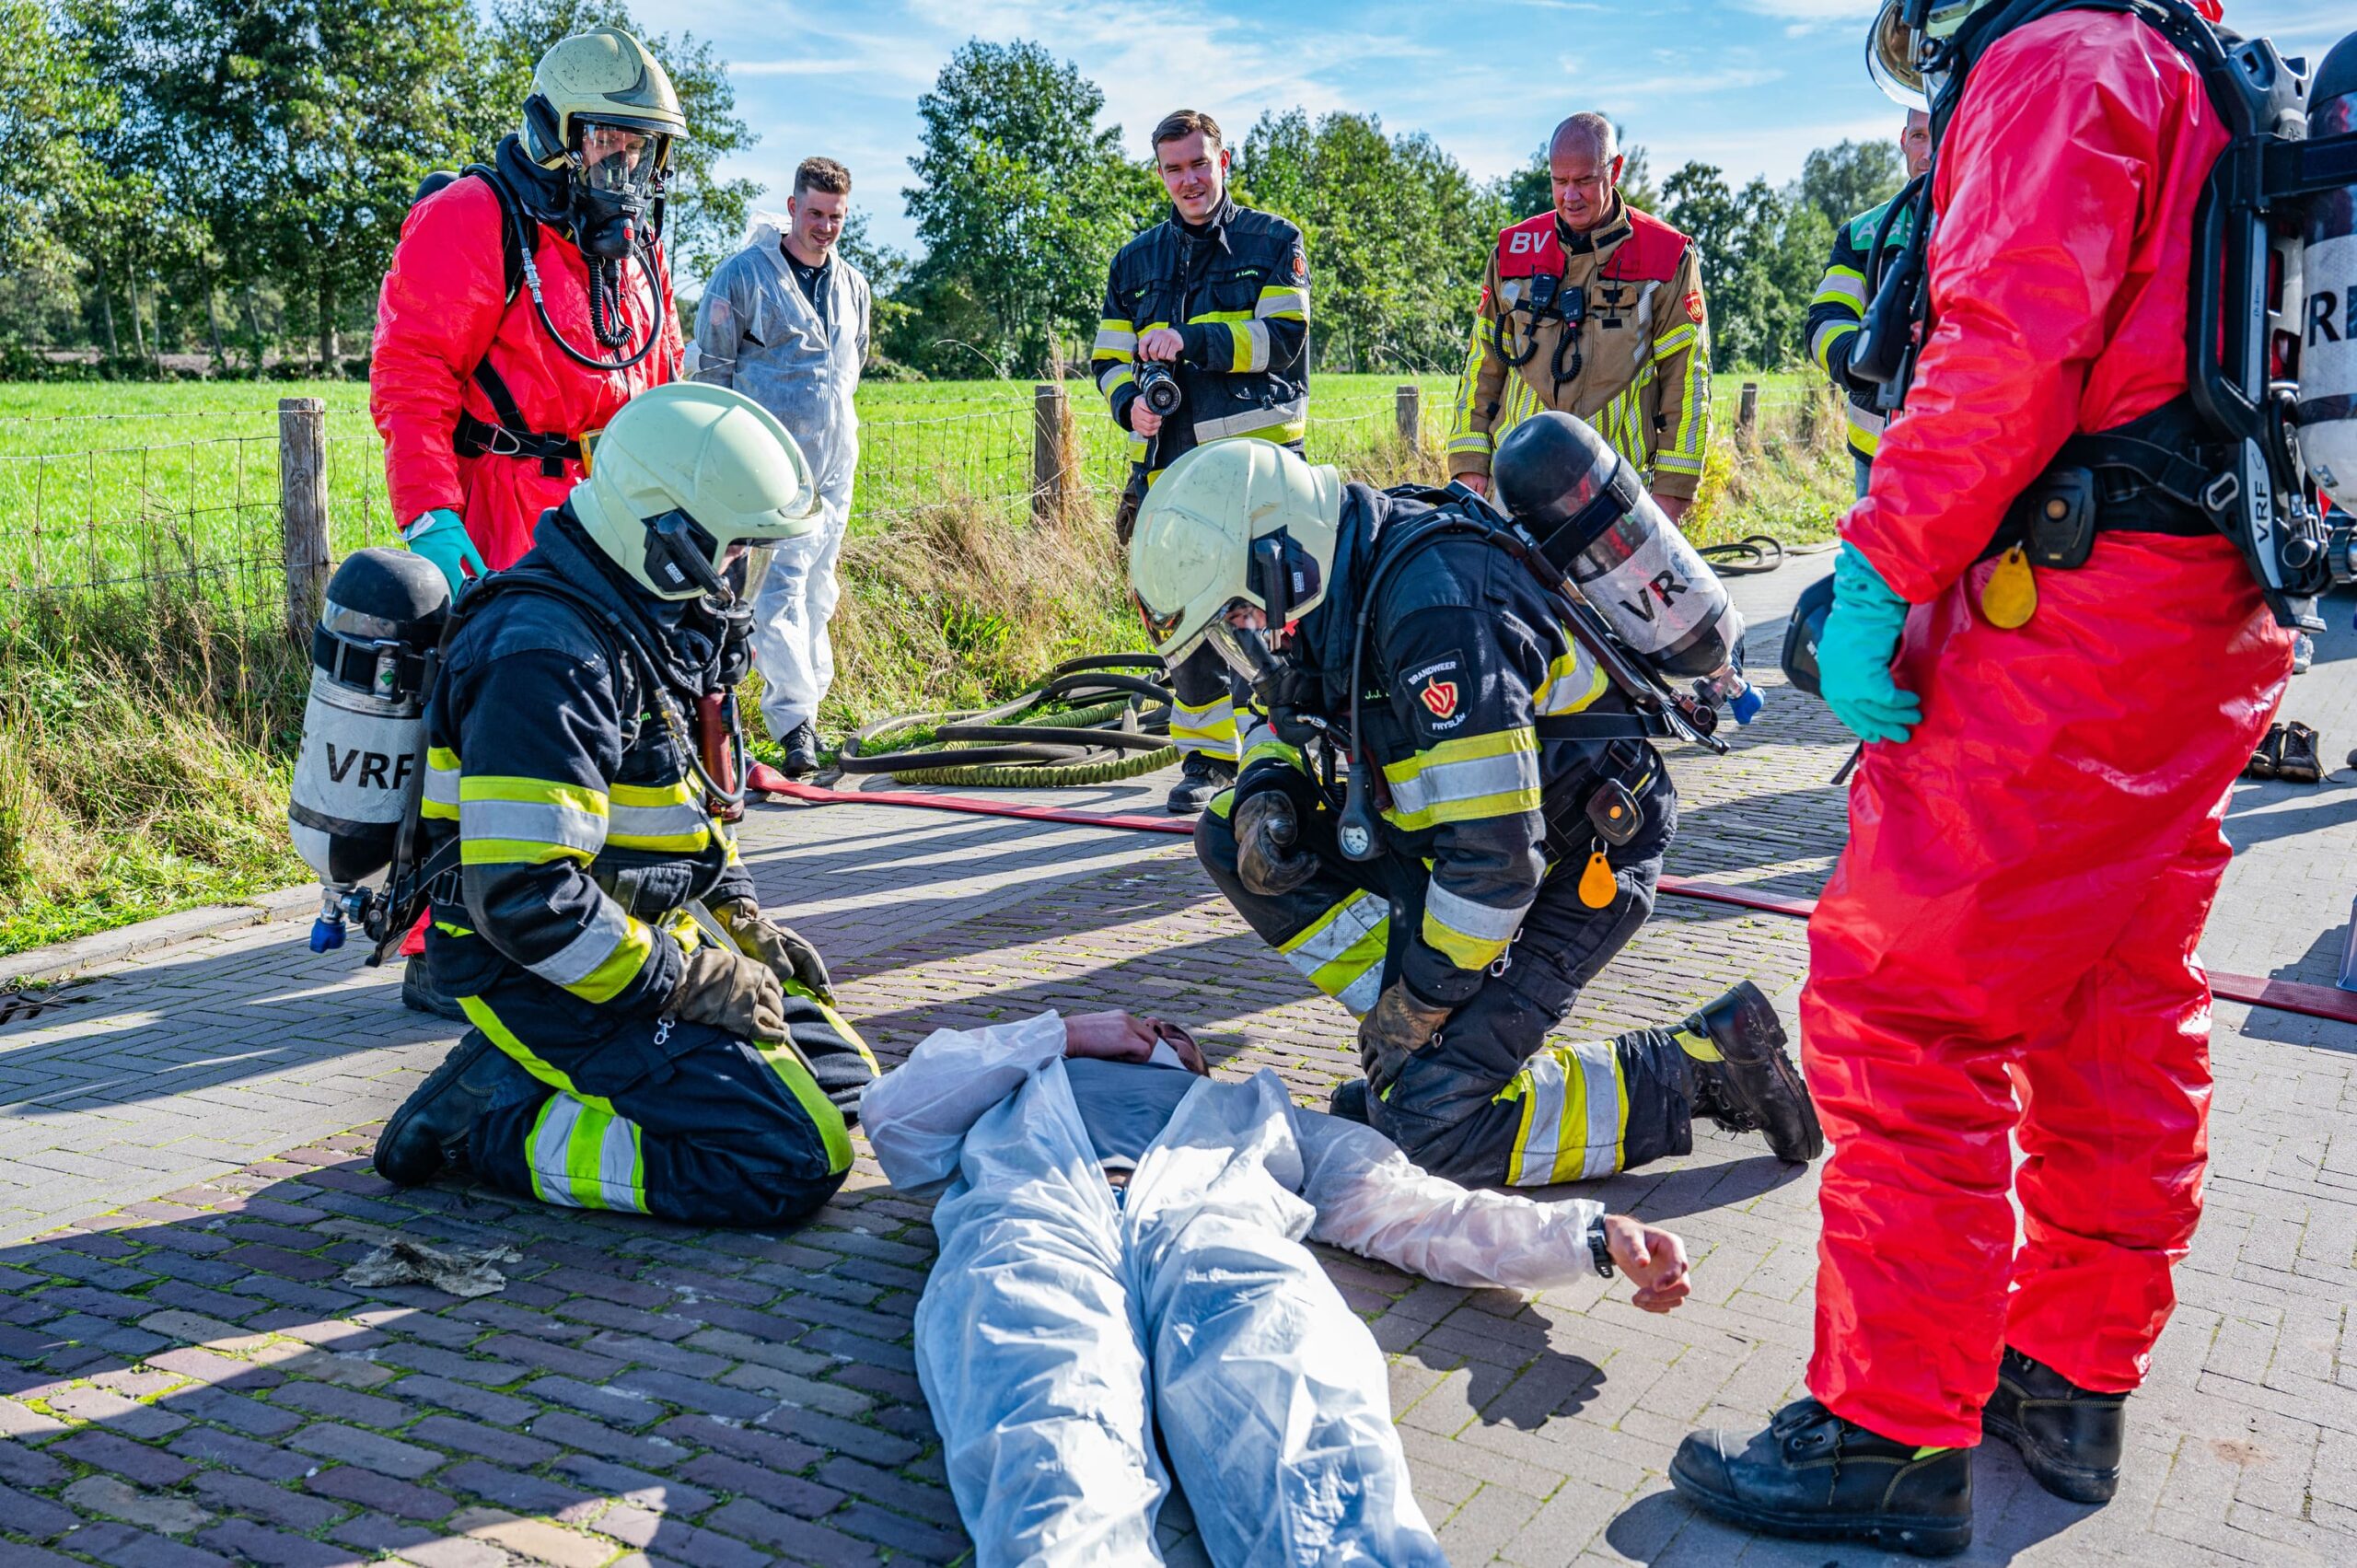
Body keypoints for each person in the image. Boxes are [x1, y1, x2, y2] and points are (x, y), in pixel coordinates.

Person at [1670, 0, 2294, 1553]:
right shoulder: (2193, 69)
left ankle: (1888, 1432)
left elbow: (2006, 346)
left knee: (1904, 1002)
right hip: (2199, 609)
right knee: (2115, 1002)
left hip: (2065, 615)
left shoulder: (2058, 58)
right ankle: (2068, 1384)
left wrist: (1881, 569)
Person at [1127, 438, 1822, 1191]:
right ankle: (1441, 1057)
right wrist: (1267, 783)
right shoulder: (1325, 580)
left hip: (1575, 855)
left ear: (1281, 557)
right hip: (1460, 846)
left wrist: (1420, 1002)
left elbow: (1496, 862)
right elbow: (1282, 703)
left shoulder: (1436, 613)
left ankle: (1701, 1071)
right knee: (1228, 833)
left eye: (1237, 616)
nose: (1243, 640)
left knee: (1429, 1137)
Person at [860, 1006, 1695, 1567]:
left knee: (1299, 1396)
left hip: (1216, 1231)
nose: (1161, 1033)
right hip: (1038, 1218)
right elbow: (895, 1117)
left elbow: (1406, 1206)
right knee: (1049, 1417)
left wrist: (1585, 1236)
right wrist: (1065, 1032)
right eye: (1143, 1027)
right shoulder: (1017, 1083)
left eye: (1177, 1034)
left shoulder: (1259, 1109)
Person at [371, 383, 877, 1229]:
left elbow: (684, 801)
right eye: (732, 550)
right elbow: (525, 900)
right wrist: (689, 980)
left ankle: (529, 1076)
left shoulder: (644, 618)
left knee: (848, 1081)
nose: (737, 575)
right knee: (793, 1156)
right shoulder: (545, 656)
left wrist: (738, 914)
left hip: (629, 933)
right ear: (667, 536)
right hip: (530, 966)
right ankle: (494, 1125)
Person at [372, 26, 685, 587]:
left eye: (638, 148)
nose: (624, 167)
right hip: (506, 518)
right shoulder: (473, 216)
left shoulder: (638, 248)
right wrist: (429, 512)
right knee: (519, 667)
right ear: (552, 136)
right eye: (606, 140)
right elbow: (413, 371)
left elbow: (668, 375)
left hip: (619, 514)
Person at [1092, 109, 1311, 814]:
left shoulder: (1274, 242)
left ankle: (1274, 757)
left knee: (1262, 618)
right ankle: (1208, 761)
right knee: (1179, 618)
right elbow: (1106, 358)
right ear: (1159, 173)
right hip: (1169, 469)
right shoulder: (1134, 261)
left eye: (1198, 164)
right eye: (1173, 168)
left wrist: (1189, 341)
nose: (1187, 180)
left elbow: (1281, 339)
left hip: (1256, 472)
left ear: (1224, 161)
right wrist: (1132, 403)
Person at [693, 157, 873, 782]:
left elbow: (851, 366)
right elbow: (711, 372)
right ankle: (793, 721)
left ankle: (811, 706)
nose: (824, 227)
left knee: (819, 586)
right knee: (775, 589)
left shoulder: (852, 284)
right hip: (767, 460)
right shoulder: (742, 278)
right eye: (815, 212)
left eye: (836, 217)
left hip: (834, 458)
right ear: (792, 207)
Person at [1447, 113, 1709, 523]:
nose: (1570, 195)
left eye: (1584, 180)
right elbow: (1483, 362)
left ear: (1615, 170)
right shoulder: (1513, 250)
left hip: (1616, 486)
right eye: (1559, 181)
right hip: (1517, 482)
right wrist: (1468, 461)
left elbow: (1687, 378)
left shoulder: (1667, 256)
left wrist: (1673, 492)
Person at [1805, 110, 1932, 496]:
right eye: (1919, 137)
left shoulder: (1998, 222)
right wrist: (1859, 358)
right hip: (1878, 456)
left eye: (1942, 133)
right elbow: (1825, 320)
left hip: (1972, 453)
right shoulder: (1862, 234)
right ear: (1903, 143)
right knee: (1871, 559)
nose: (1929, 151)